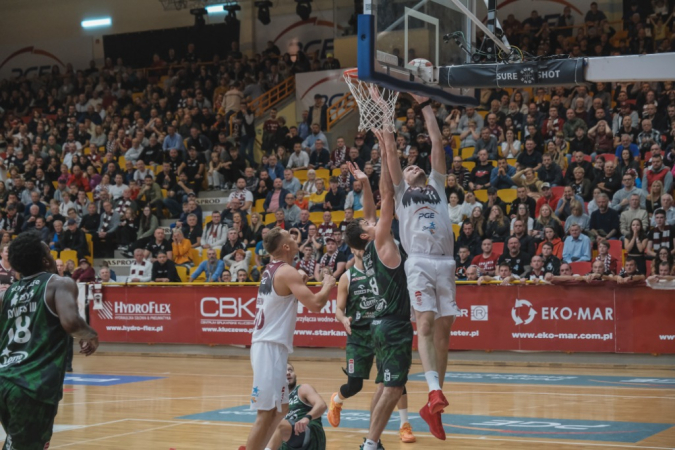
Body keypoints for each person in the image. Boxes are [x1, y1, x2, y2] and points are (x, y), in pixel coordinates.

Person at [380, 95, 460, 440]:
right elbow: (392, 152)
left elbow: (437, 141)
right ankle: (432, 391)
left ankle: (433, 404)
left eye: (417, 165)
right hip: (420, 264)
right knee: (425, 324)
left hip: (446, 263)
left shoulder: (438, 185)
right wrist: (383, 110)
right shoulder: (400, 192)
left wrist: (425, 104)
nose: (413, 166)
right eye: (409, 166)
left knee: (444, 333)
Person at [343, 130, 414, 448]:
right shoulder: (381, 241)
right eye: (368, 224)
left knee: (387, 386)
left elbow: (371, 211)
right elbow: (388, 200)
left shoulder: (368, 249)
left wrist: (363, 181)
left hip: (379, 325)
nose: (371, 221)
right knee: (394, 387)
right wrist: (386, 153)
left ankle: (371, 439)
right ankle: (370, 444)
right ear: (367, 235)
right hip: (394, 324)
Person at [0, 231, 98, 449]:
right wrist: (89, 334)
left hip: (4, 380)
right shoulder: (59, 284)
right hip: (31, 386)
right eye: (49, 252)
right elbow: (71, 323)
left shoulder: (8, 293)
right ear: (45, 259)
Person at [242, 228, 335, 450]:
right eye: (292, 238)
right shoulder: (286, 271)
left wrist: (300, 278)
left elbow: (286, 289)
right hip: (269, 347)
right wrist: (328, 285)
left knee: (281, 409)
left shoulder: (273, 269)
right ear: (285, 247)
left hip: (274, 347)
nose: (296, 241)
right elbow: (315, 305)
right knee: (265, 414)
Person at [328, 248, 415, 443]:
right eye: (358, 245)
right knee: (354, 385)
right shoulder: (348, 277)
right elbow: (338, 309)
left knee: (396, 380)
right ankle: (337, 400)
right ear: (352, 249)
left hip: (383, 330)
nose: (363, 248)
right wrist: (343, 320)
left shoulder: (381, 271)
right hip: (358, 336)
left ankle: (404, 425)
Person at [264, 363, 327, 450]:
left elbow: (322, 405)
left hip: (309, 434)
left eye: (290, 370)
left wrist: (307, 418)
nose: (288, 373)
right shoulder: (276, 399)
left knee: (279, 426)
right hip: (288, 441)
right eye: (283, 371)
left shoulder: (302, 389)